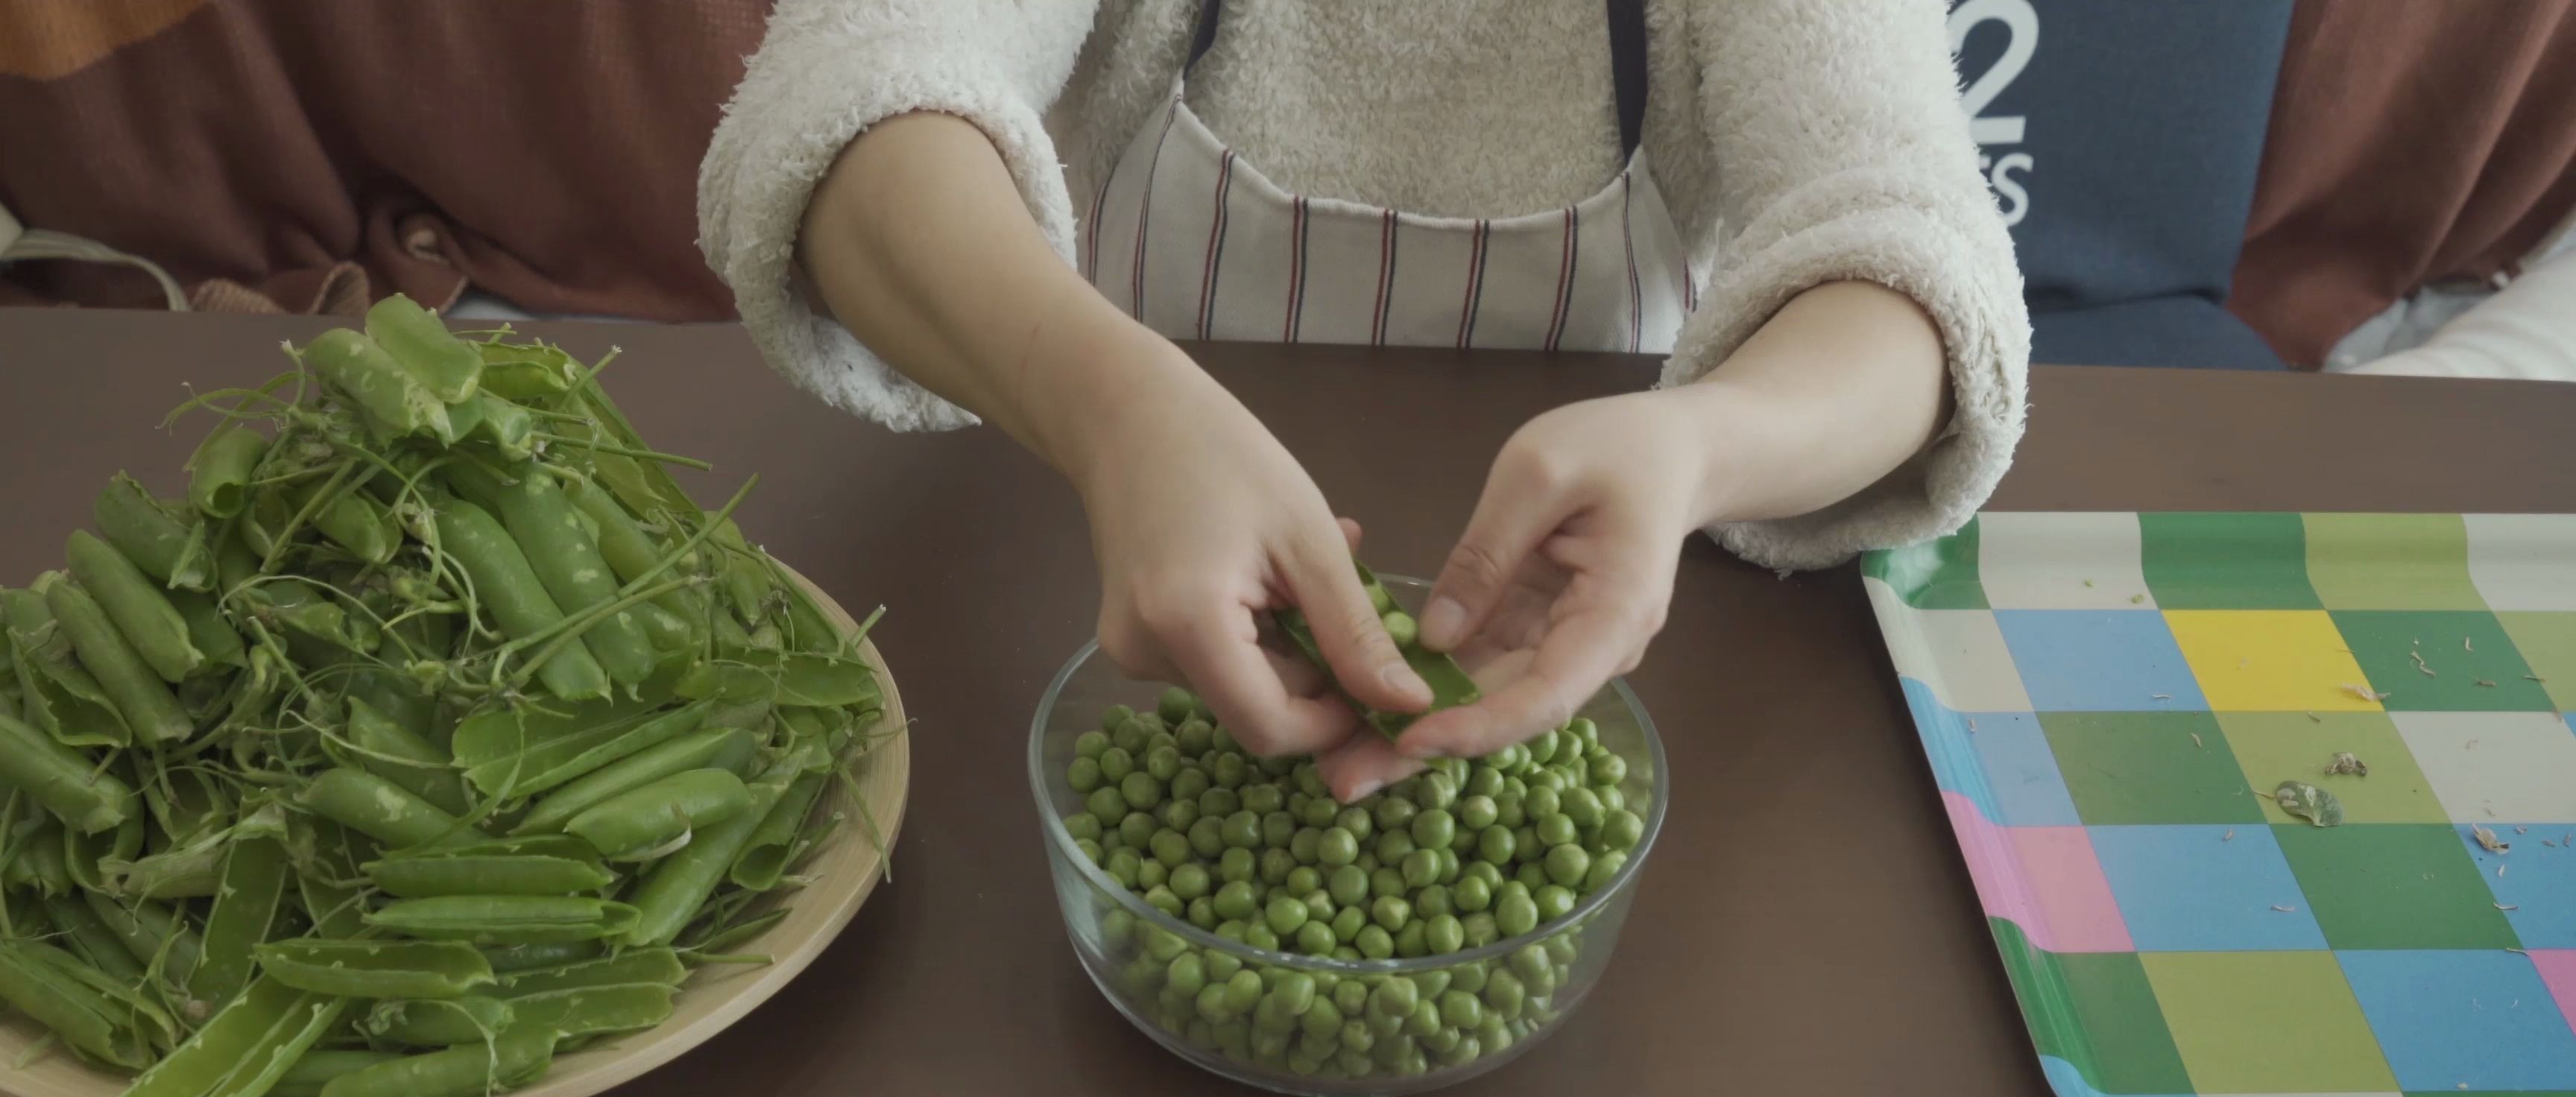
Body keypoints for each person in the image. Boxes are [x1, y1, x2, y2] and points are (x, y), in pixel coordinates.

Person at [701, 0, 2028, 796]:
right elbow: (844, 105)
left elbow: (1919, 273)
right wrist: (1116, 414)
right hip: (1107, 583)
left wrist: (1700, 447)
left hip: (1590, 637)